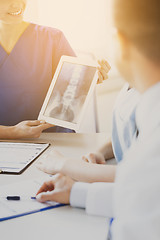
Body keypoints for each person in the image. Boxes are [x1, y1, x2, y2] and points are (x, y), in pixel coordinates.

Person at [36, 0, 160, 239]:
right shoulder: (145, 98)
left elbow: (141, 190)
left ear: (120, 43)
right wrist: (77, 192)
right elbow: (147, 192)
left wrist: (68, 166)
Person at [0, 0, 109, 133]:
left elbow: (74, 85)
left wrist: (90, 78)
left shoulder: (52, 38)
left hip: (54, 138)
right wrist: (13, 132)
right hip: (5, 143)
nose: (17, 4)